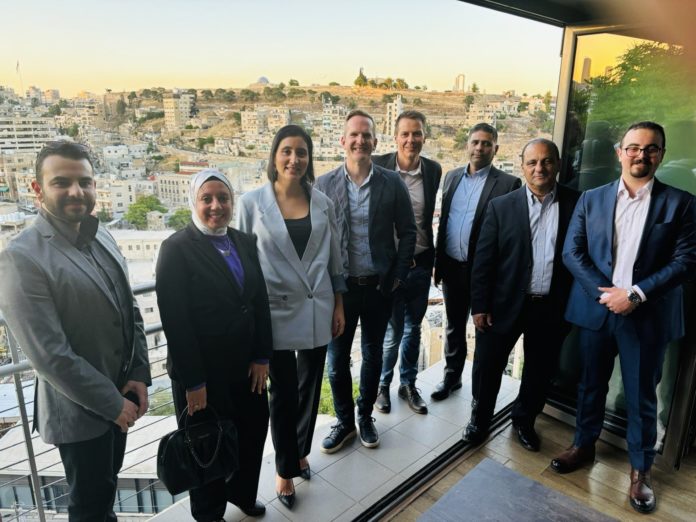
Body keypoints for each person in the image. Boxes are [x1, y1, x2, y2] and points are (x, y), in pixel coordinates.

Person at [0, 140, 151, 521]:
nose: (76, 191)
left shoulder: (102, 234)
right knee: (89, 508)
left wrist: (138, 373)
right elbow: (49, 355)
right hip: (81, 412)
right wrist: (111, 403)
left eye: (84, 182)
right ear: (37, 189)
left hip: (121, 395)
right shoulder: (21, 257)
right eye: (61, 182)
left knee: (104, 496)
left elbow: (129, 309)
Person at [550, 122, 696, 514]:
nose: (640, 155)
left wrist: (634, 294)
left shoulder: (681, 203)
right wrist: (607, 295)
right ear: (620, 153)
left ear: (661, 155)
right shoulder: (591, 198)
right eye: (633, 147)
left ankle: (640, 471)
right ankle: (583, 445)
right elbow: (572, 252)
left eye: (650, 149)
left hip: (647, 316)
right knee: (590, 385)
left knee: (641, 396)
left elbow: (686, 260)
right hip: (597, 311)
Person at [237, 125, 346, 509]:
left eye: (301, 152)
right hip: (274, 311)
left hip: (317, 306)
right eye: (286, 151)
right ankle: (285, 470)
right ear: (274, 155)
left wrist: (338, 304)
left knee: (309, 387)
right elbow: (244, 265)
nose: (294, 159)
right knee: (282, 393)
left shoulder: (323, 203)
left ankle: (300, 452)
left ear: (309, 158)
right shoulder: (251, 203)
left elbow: (335, 259)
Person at [156, 169, 272, 521]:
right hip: (203, 374)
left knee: (253, 430)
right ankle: (209, 513)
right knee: (206, 443)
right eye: (206, 198)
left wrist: (262, 355)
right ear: (193, 202)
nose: (216, 206)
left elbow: (259, 301)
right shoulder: (176, 249)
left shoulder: (243, 241)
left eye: (223, 198)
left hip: (246, 367)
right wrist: (194, 382)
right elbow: (176, 321)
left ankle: (242, 493)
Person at [467, 139, 579, 447]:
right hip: (502, 305)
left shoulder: (576, 204)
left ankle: (524, 421)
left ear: (558, 164)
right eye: (532, 162)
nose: (539, 168)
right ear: (523, 166)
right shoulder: (501, 206)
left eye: (546, 161)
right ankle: (479, 420)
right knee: (488, 366)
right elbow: (483, 261)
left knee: (539, 371)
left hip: (551, 307)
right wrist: (479, 306)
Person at [315, 110, 417, 452]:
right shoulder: (324, 184)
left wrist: (398, 277)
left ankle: (364, 416)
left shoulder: (392, 182)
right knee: (336, 360)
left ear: (375, 141)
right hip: (339, 291)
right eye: (354, 135)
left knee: (373, 355)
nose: (360, 141)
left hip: (378, 287)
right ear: (343, 141)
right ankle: (344, 421)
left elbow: (408, 231)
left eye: (366, 135)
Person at [432, 123, 521, 401]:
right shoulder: (451, 177)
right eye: (475, 142)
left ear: (496, 148)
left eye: (486, 143)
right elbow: (445, 222)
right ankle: (452, 377)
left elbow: (508, 235)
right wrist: (438, 263)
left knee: (484, 330)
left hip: (486, 274)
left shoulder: (508, 184)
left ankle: (480, 393)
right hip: (452, 267)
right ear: (467, 145)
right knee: (454, 327)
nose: (479, 148)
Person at [373, 110, 442, 415]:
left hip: (421, 264)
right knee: (392, 333)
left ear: (424, 137)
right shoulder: (378, 166)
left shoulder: (433, 170)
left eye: (416, 134)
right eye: (405, 134)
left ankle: (408, 384)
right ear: (395, 137)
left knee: (414, 330)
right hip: (390, 267)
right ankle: (382, 386)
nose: (410, 140)